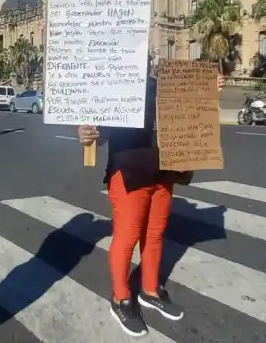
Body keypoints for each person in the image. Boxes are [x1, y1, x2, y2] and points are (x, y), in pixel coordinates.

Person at [77, 66, 225, 337]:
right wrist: (86, 134)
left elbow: (188, 110)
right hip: (129, 173)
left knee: (155, 235)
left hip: (164, 172)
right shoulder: (111, 86)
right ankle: (121, 299)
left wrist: (208, 90)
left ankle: (149, 290)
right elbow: (98, 136)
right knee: (127, 237)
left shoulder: (162, 84)